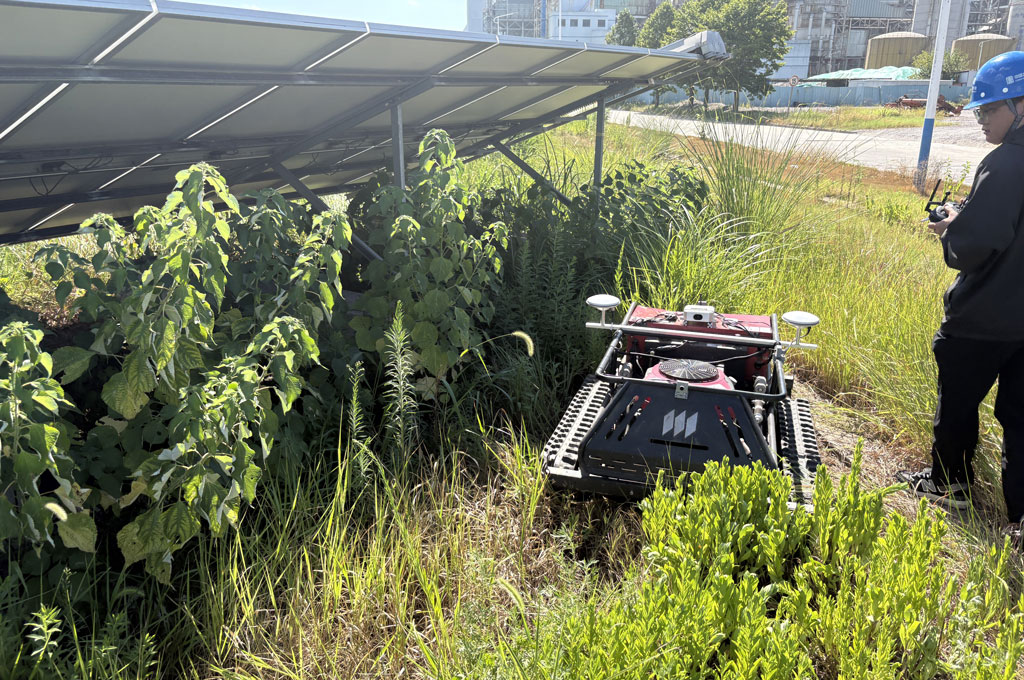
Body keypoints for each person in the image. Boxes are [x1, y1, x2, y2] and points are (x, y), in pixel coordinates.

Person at [897, 51, 1024, 545]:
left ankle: (949, 488)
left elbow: (974, 247)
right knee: (1021, 419)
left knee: (957, 405)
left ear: (1019, 105)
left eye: (987, 110)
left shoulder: (1007, 161)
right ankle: (1020, 520)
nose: (981, 120)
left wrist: (952, 228)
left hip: (983, 320)